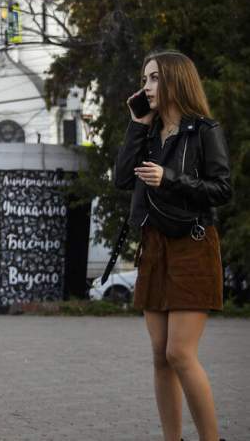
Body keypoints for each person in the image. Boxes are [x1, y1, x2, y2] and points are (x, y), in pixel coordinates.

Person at [114, 51, 231, 441]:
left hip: (193, 245)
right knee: (160, 357)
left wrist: (170, 179)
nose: (145, 87)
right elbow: (121, 179)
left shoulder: (204, 131)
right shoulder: (148, 132)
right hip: (154, 245)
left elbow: (221, 190)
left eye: (153, 79)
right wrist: (136, 126)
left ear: (175, 82)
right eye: (145, 79)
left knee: (179, 354)